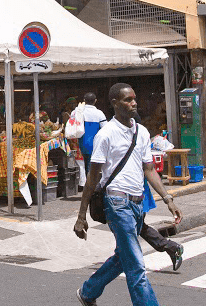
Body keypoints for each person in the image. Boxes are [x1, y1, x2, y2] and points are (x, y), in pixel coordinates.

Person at [75, 84, 183, 306]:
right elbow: (93, 178)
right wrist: (81, 216)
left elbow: (149, 169)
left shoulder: (141, 132)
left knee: (122, 257)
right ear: (115, 103)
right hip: (116, 203)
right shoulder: (105, 135)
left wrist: (168, 199)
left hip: (137, 203)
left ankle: (87, 292)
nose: (134, 103)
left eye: (134, 98)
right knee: (136, 267)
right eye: (128, 100)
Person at [72, 93, 108, 173]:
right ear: (95, 101)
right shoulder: (99, 113)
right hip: (94, 146)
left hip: (78, 145)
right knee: (90, 170)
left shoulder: (77, 112)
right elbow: (106, 129)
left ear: (84, 100)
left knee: (80, 170)